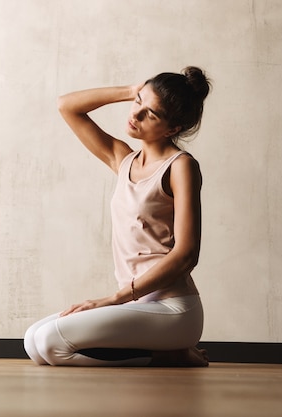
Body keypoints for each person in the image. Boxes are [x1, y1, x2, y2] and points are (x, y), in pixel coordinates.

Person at [24, 67, 212, 366]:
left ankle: (171, 353)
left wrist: (114, 299)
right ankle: (167, 353)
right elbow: (67, 106)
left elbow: (187, 255)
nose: (135, 115)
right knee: (33, 339)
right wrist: (130, 90)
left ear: (172, 128)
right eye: (138, 102)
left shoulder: (180, 167)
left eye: (150, 114)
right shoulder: (123, 160)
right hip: (136, 307)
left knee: (50, 343)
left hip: (172, 309)